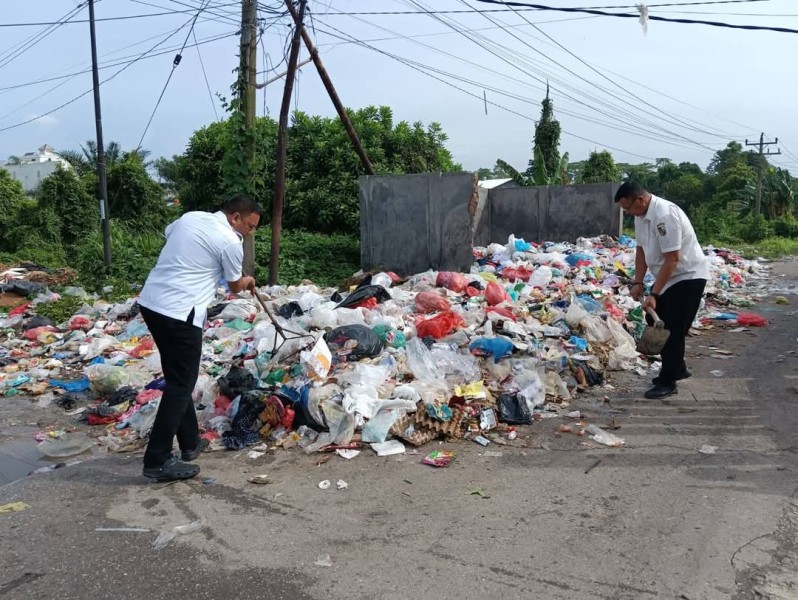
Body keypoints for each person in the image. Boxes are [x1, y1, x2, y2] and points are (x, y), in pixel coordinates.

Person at [137, 195, 262, 481]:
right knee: (181, 384)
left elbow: (172, 235)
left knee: (177, 378)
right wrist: (248, 280)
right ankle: (157, 459)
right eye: (249, 226)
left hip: (151, 303)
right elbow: (235, 286)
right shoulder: (230, 241)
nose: (249, 232)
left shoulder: (191, 217)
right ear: (235, 217)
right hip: (180, 312)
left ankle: (190, 442)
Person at [615, 181, 710, 400]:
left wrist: (654, 294)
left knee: (672, 329)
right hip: (667, 277)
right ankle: (678, 367)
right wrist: (638, 282)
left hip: (687, 276)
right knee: (654, 320)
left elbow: (673, 259)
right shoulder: (640, 216)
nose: (628, 213)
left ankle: (668, 381)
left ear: (640, 199)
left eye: (628, 207)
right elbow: (641, 250)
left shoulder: (664, 215)